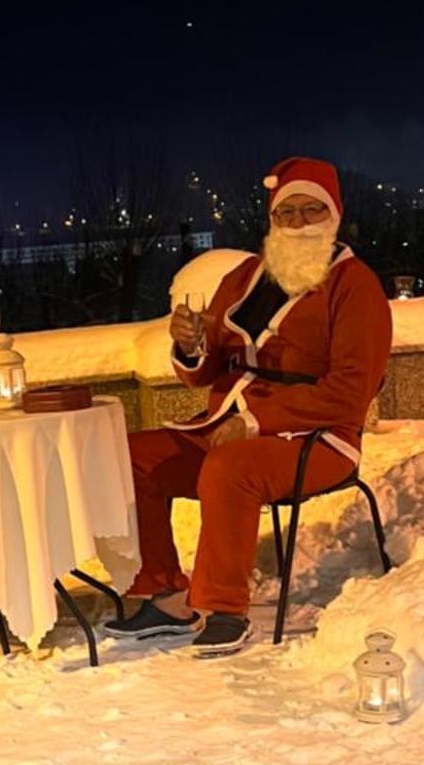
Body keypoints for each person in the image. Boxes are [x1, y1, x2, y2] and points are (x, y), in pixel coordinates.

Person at [107, 155, 392, 654]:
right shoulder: (245, 276)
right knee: (132, 457)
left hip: (319, 438)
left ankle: (224, 609)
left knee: (230, 466)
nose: (299, 223)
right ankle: (167, 596)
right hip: (227, 423)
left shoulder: (356, 286)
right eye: (287, 213)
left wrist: (257, 422)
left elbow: (351, 391)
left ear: (334, 216)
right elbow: (210, 370)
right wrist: (191, 346)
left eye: (311, 211)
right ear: (272, 220)